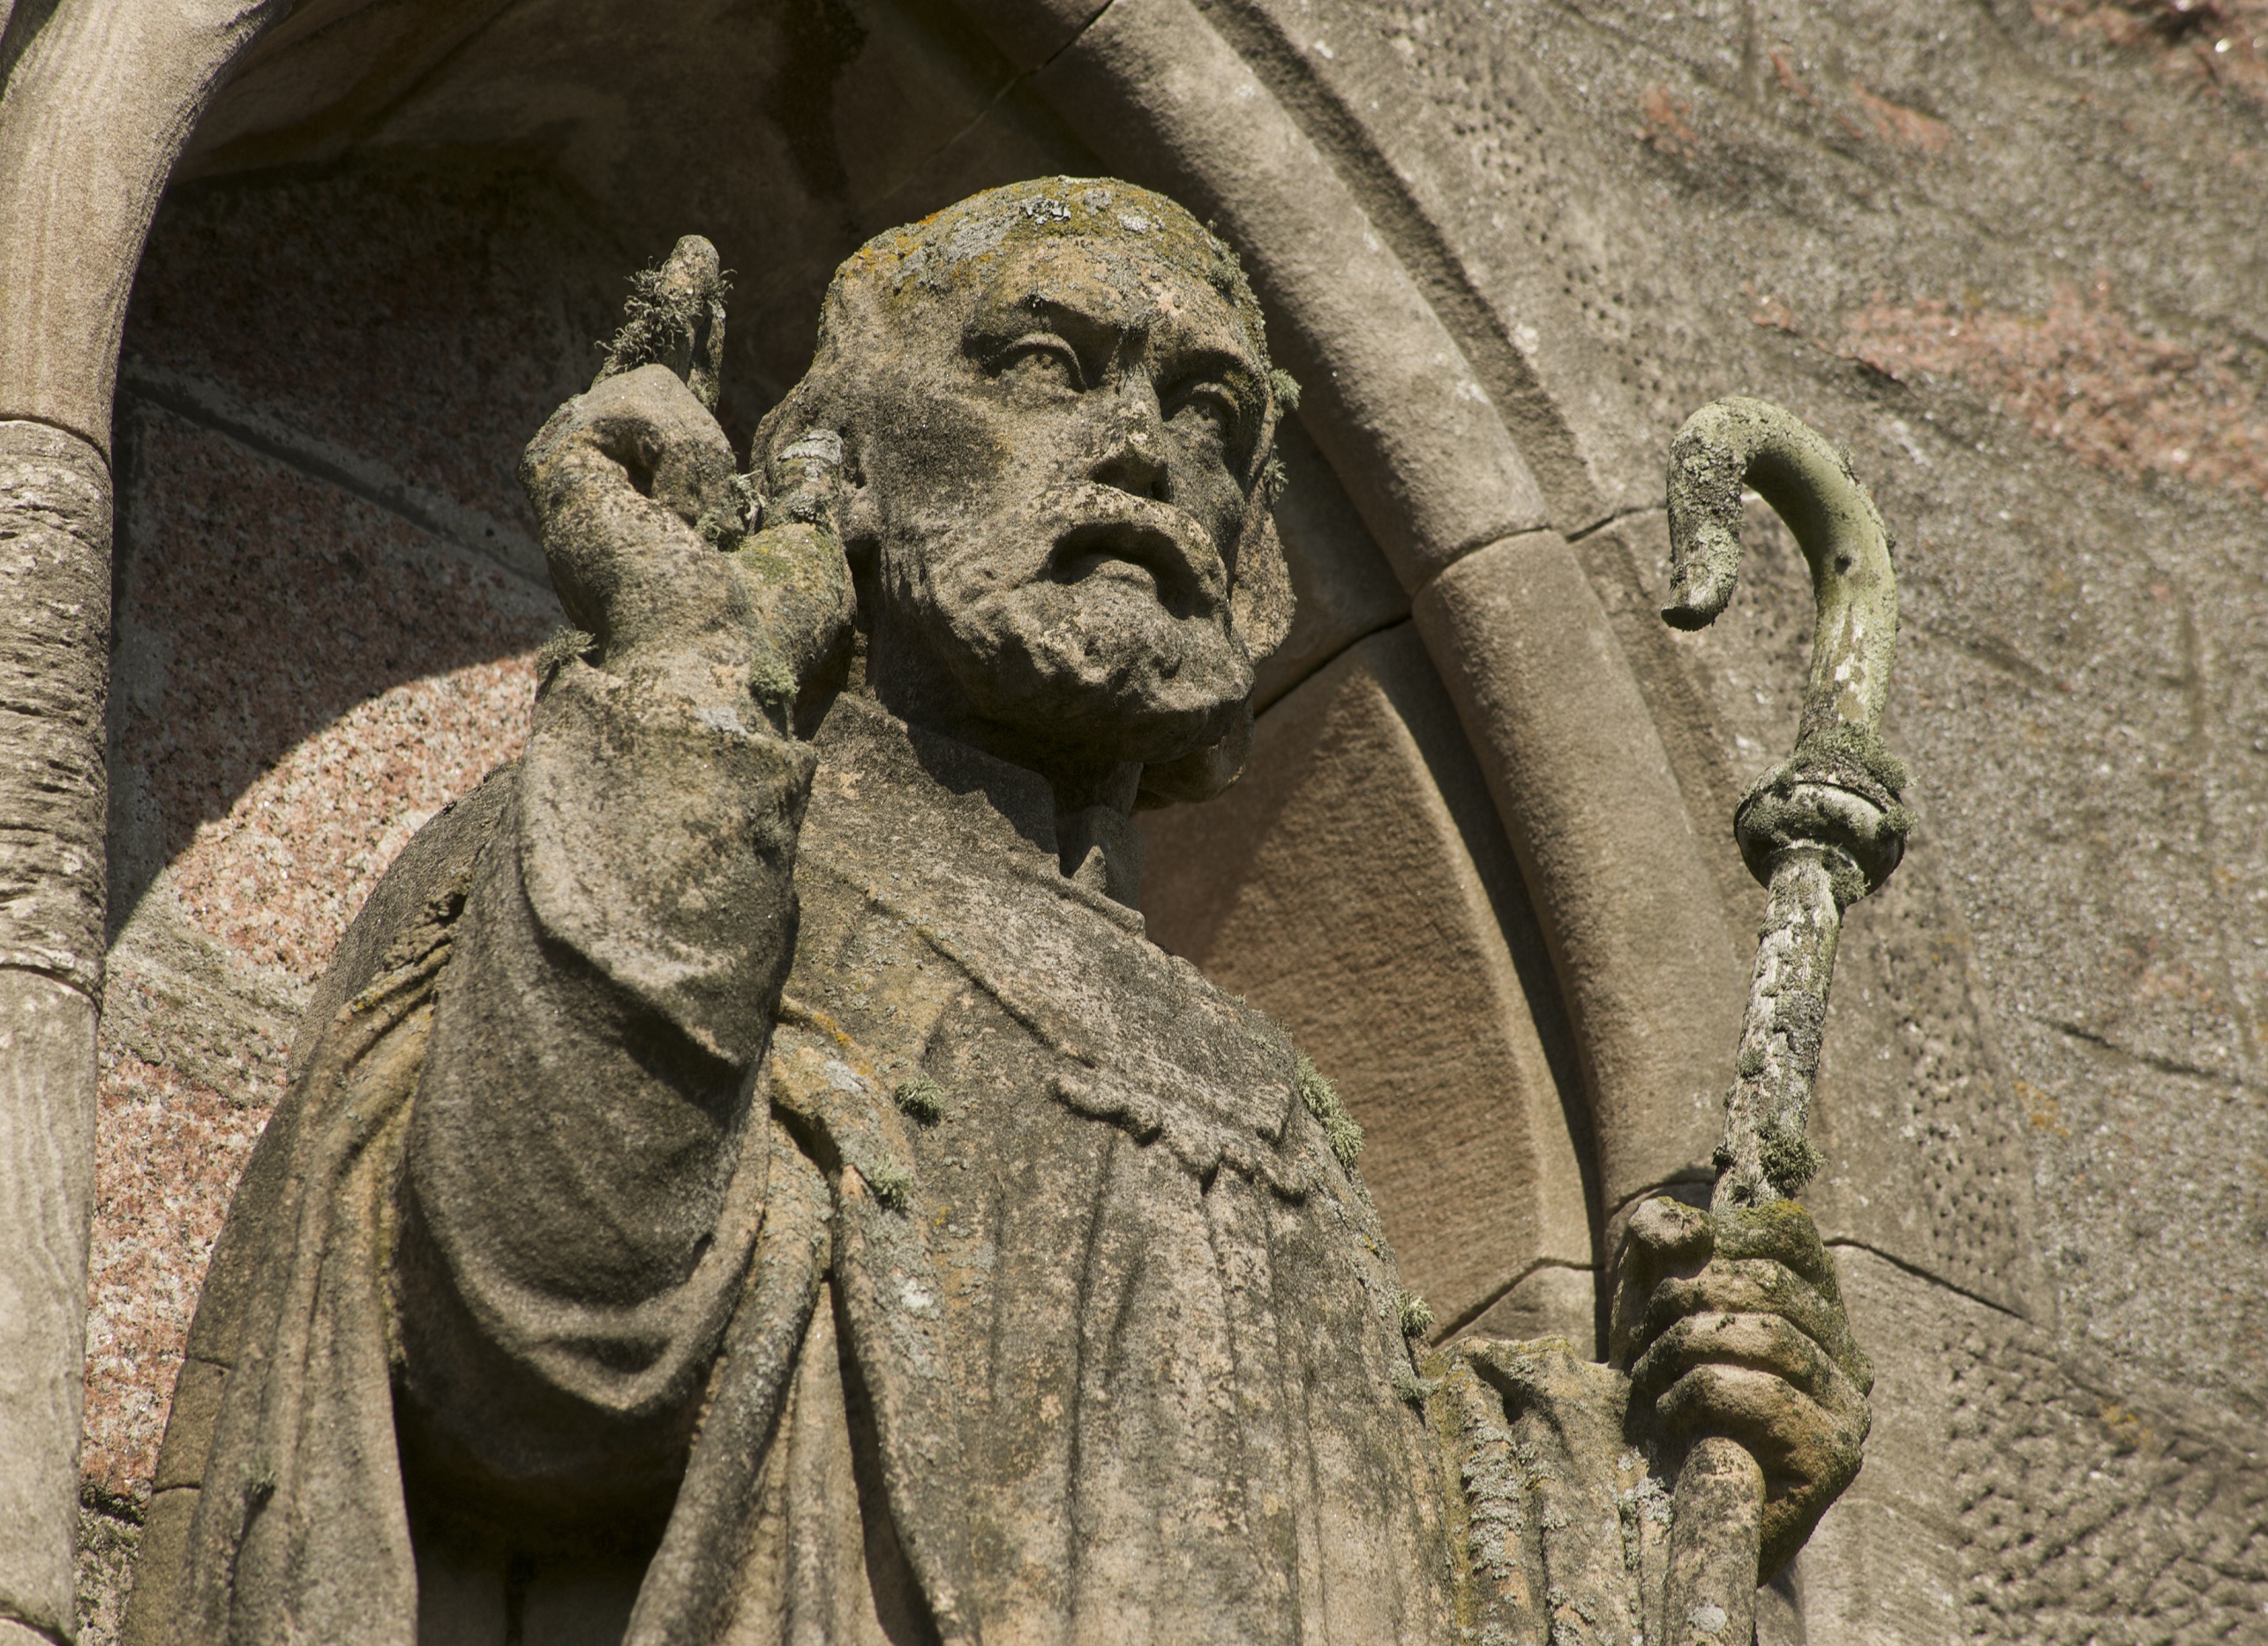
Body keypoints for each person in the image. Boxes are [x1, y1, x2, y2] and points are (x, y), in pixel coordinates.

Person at [132, 177, 1869, 1646]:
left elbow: (1380, 1570)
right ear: (840, 461)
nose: (1144, 449)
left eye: (1213, 421)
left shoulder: (1277, 1111)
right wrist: (693, 664)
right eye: (1047, 365)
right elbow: (542, 1342)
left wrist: (1676, 1476)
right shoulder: (639, 830)